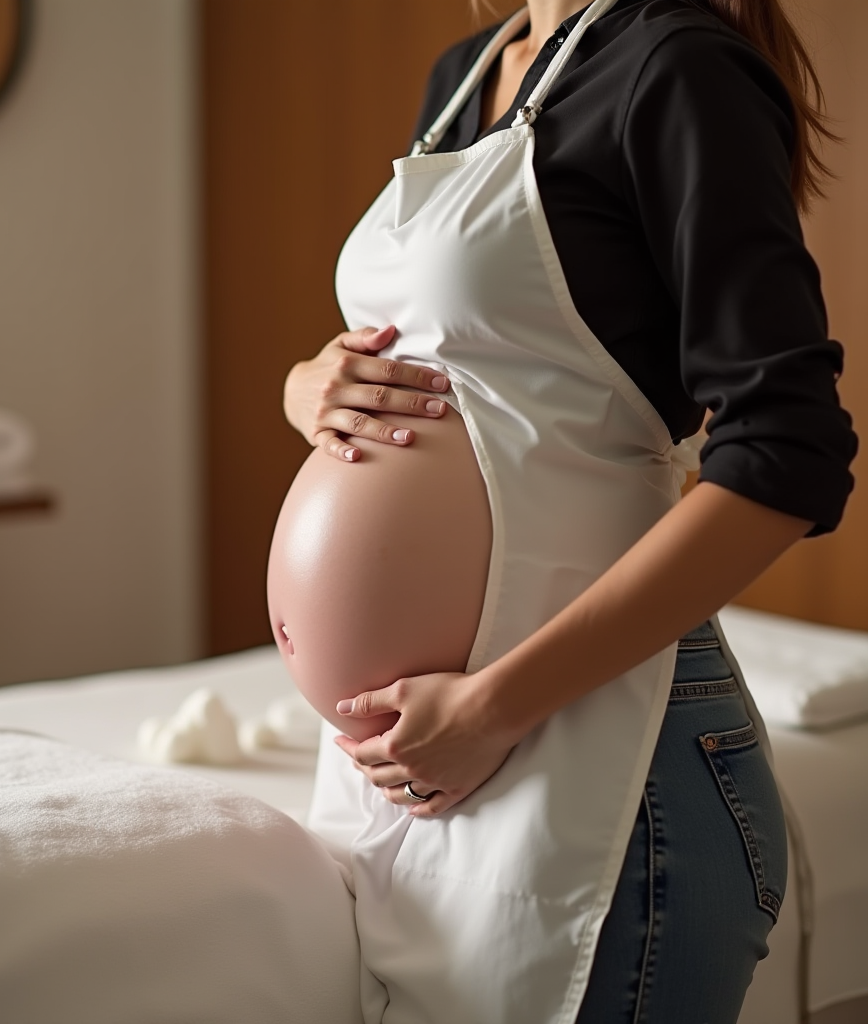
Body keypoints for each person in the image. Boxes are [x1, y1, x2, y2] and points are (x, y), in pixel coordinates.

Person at [272, 1, 857, 1021]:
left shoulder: (677, 68)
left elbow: (788, 453)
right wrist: (306, 384)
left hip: (604, 758)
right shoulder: (469, 70)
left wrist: (493, 706)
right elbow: (448, 356)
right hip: (412, 769)